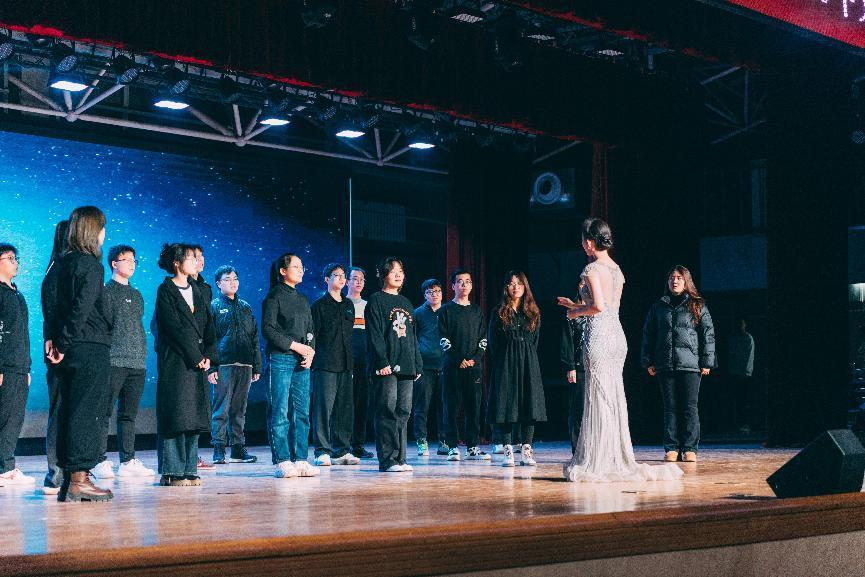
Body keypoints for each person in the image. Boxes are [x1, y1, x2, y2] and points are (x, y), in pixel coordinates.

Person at [559, 217, 682, 483]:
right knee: (612, 395)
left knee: (598, 395)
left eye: (584, 240)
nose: (583, 245)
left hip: (600, 335)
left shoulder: (592, 269)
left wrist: (574, 312)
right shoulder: (617, 269)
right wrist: (576, 305)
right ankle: (613, 455)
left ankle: (600, 460)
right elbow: (607, 306)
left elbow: (597, 307)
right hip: (616, 335)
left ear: (590, 242)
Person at [51, 206, 114, 501]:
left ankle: (70, 479)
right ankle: (79, 480)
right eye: (102, 227)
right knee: (87, 412)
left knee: (70, 410)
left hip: (71, 348)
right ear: (93, 231)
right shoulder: (91, 265)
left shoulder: (62, 264)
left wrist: (57, 342)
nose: (104, 233)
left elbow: (53, 306)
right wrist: (63, 343)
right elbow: (82, 309)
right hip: (89, 346)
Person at [153, 243, 216, 487]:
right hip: (177, 361)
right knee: (176, 415)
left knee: (194, 416)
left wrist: (209, 355)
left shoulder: (197, 290)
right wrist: (195, 355)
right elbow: (173, 328)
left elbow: (209, 325)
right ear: (177, 263)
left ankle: (190, 469)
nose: (195, 262)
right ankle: (172, 471)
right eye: (190, 258)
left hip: (198, 362)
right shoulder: (166, 290)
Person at [641, 266, 716, 463]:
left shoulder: (697, 304)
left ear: (686, 281)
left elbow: (708, 334)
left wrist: (707, 361)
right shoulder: (658, 307)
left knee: (690, 407)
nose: (674, 281)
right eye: (672, 278)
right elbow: (649, 334)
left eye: (679, 278)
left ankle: (690, 448)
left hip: (690, 364)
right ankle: (672, 447)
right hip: (665, 364)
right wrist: (648, 360)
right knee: (670, 407)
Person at [91, 245, 154, 479]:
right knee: (104, 412)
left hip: (137, 362)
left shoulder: (136, 295)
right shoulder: (106, 292)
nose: (132, 264)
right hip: (113, 360)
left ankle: (127, 461)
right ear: (114, 264)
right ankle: (98, 460)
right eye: (126, 259)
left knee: (129, 415)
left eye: (134, 260)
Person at [262, 253, 319, 478]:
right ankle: (283, 460)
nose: (301, 270)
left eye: (302, 267)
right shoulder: (274, 295)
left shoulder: (303, 299)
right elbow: (268, 329)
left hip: (301, 362)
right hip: (281, 359)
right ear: (283, 271)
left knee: (302, 412)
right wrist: (296, 346)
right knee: (280, 411)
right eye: (296, 266)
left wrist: (310, 351)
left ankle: (301, 459)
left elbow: (310, 330)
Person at [366, 256, 423, 472]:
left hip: (407, 364)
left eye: (401, 270)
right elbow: (375, 334)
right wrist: (381, 361)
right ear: (383, 275)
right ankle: (388, 459)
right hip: (386, 365)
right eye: (393, 271)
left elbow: (412, 337)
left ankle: (401, 458)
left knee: (404, 410)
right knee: (386, 409)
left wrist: (417, 363)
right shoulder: (376, 300)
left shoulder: (406, 302)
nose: (398, 274)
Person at [487, 271, 545, 467]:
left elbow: (535, 340)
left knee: (529, 405)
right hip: (506, 362)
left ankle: (527, 450)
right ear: (506, 287)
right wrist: (504, 360)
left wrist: (526, 356)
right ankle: (508, 450)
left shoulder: (533, 312)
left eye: (519, 283)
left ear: (525, 286)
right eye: (512, 283)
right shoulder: (498, 312)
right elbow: (493, 343)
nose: (516, 287)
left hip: (528, 361)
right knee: (506, 405)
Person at [207, 265, 262, 465]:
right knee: (221, 408)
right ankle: (218, 448)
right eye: (228, 279)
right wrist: (212, 367)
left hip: (245, 364)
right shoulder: (213, 306)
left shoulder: (245, 306)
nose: (233, 282)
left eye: (235, 279)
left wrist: (256, 365)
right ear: (218, 283)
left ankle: (238, 449)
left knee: (239, 409)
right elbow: (209, 339)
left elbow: (254, 337)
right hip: (224, 364)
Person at [310, 263, 359, 467]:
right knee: (323, 408)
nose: (341, 278)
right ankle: (322, 450)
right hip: (325, 364)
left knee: (344, 409)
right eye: (336, 275)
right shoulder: (319, 306)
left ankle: (342, 450)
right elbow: (313, 336)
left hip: (346, 364)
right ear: (326, 279)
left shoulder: (348, 304)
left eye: (343, 275)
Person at [439, 269, 489, 462]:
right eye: (460, 281)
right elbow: (443, 338)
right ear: (453, 286)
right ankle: (452, 446)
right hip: (452, 367)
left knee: (473, 408)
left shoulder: (476, 310)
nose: (464, 285)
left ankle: (472, 446)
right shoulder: (446, 310)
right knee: (451, 408)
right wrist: (458, 358)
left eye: (468, 281)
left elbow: (483, 338)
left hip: (474, 367)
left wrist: (475, 358)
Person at [0, 243, 34, 486]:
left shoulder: (16, 293)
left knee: (14, 418)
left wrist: (27, 367)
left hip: (19, 365)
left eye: (16, 258)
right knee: (5, 418)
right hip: (6, 366)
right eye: (10, 258)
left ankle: (7, 464)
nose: (15, 262)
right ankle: (4, 468)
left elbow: (21, 333)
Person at [40, 219, 68, 495]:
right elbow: (52, 313)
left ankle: (71, 470)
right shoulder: (57, 270)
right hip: (60, 351)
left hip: (71, 349)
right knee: (59, 409)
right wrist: (54, 341)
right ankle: (56, 473)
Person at [412, 278, 447, 457]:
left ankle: (444, 441)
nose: (435, 295)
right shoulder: (417, 313)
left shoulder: (447, 311)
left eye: (438, 291)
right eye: (430, 292)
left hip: (445, 365)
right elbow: (412, 339)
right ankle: (421, 440)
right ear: (425, 294)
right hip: (425, 366)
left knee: (445, 406)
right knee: (422, 406)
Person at [189, 244, 215, 472]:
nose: (201, 260)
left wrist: (209, 356)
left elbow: (208, 324)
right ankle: (184, 457)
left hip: (203, 355)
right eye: (196, 257)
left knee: (199, 407)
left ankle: (193, 455)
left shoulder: (205, 288)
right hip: (187, 355)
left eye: (202, 256)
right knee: (185, 406)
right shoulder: (177, 287)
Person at [346, 266, 374, 459]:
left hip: (365, 362)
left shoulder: (368, 305)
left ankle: (357, 445)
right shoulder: (341, 303)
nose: (358, 282)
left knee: (362, 404)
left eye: (362, 279)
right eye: (355, 278)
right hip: (346, 361)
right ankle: (343, 445)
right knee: (345, 404)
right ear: (347, 281)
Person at [560, 308, 586, 456]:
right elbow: (567, 341)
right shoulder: (573, 313)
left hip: (598, 366)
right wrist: (570, 366)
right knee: (578, 409)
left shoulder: (601, 312)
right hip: (579, 366)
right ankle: (578, 450)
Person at [727, 318, 755, 433]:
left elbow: (748, 357)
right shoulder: (734, 339)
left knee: (744, 400)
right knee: (738, 400)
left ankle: (745, 424)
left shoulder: (747, 338)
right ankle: (739, 424)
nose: (739, 327)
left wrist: (746, 372)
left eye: (741, 325)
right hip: (736, 373)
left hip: (743, 374)